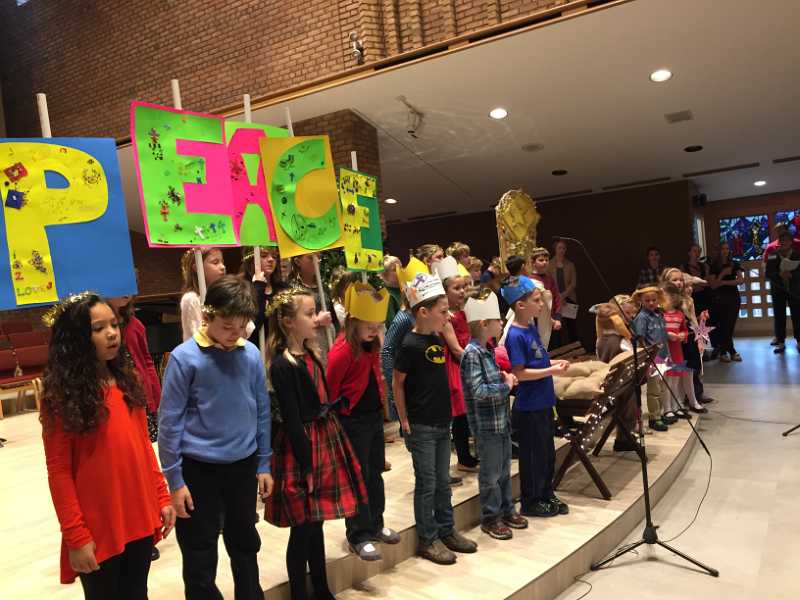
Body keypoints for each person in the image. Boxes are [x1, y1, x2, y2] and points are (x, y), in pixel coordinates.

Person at [41, 293, 175, 599]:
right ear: (75, 338)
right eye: (98, 328)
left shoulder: (128, 381)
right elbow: (59, 471)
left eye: (114, 325)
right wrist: (75, 535)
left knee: (137, 592)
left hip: (137, 511)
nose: (112, 333)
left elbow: (143, 446)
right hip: (99, 522)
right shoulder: (62, 396)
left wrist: (160, 495)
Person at [159, 276, 272, 600]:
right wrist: (175, 480)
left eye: (242, 326)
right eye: (227, 326)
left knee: (245, 543)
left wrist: (263, 462)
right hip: (198, 469)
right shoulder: (184, 358)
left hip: (242, 465)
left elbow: (262, 411)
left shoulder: (250, 354)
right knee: (199, 551)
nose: (235, 333)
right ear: (207, 317)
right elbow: (169, 423)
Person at [265, 287, 366, 600]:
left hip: (322, 438)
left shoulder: (309, 353)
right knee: (303, 528)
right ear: (288, 322)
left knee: (316, 523)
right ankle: (299, 593)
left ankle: (321, 589)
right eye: (309, 314)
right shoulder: (283, 365)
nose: (316, 319)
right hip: (303, 448)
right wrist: (307, 465)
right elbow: (293, 419)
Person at [393, 272, 478, 564]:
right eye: (443, 311)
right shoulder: (409, 344)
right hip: (422, 425)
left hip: (443, 421)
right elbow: (398, 383)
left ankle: (446, 529)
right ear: (423, 312)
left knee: (443, 482)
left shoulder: (436, 337)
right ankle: (427, 539)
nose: (448, 316)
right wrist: (403, 419)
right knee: (427, 483)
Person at [326, 283, 401, 561]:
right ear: (353, 321)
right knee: (357, 477)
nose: (374, 330)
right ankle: (358, 534)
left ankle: (376, 524)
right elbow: (331, 390)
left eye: (377, 325)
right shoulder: (341, 350)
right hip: (352, 421)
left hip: (372, 418)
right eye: (369, 326)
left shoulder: (372, 345)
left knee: (374, 473)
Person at [501, 276, 570, 518]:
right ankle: (531, 501)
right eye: (537, 300)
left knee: (547, 454)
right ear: (521, 305)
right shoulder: (515, 335)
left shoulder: (530, 328)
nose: (542, 305)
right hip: (529, 406)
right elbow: (520, 373)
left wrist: (554, 363)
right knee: (532, 456)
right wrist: (551, 371)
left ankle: (546, 493)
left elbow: (538, 360)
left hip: (544, 401)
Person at [461, 290, 527, 540]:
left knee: (504, 471)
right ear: (483, 324)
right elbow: (478, 391)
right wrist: (506, 386)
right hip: (487, 426)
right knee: (490, 475)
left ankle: (507, 510)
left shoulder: (487, 350)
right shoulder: (472, 353)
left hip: (500, 422)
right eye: (498, 320)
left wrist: (502, 377)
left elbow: (487, 382)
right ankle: (490, 517)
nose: (501, 323)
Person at [106, 293, 165, 561]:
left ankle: (148, 528)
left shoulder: (136, 324)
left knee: (144, 462)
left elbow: (147, 361)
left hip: (138, 398)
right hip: (117, 402)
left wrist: (155, 395)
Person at [433, 256, 479, 473]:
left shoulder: (464, 309)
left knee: (468, 411)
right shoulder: (447, 317)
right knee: (460, 412)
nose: (462, 291)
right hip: (455, 365)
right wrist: (476, 362)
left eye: (463, 287)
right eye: (456, 288)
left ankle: (469, 453)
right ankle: (463, 457)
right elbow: (455, 348)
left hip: (467, 359)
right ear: (445, 291)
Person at [595, 295, 640, 451]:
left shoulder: (600, 339)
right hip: (622, 385)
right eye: (626, 314)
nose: (631, 317)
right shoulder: (621, 341)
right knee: (628, 408)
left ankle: (624, 437)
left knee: (626, 407)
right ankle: (623, 438)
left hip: (612, 383)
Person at [661, 281, 706, 418]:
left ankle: (676, 406)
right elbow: (656, 331)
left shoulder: (680, 315)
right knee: (667, 380)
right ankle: (667, 408)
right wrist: (667, 334)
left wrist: (682, 335)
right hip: (665, 351)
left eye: (670, 296)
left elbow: (685, 330)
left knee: (676, 379)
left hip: (677, 350)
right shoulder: (659, 315)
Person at [631, 286, 673, 432]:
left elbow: (663, 336)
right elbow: (640, 340)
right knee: (654, 390)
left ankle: (659, 414)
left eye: (654, 300)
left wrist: (668, 354)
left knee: (661, 388)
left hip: (663, 356)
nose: (651, 303)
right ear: (641, 300)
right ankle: (654, 418)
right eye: (647, 300)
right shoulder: (642, 317)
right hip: (652, 359)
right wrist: (647, 360)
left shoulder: (659, 314)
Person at [288, 253, 336, 361]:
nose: (317, 260)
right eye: (311, 258)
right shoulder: (291, 289)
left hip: (328, 342)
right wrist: (317, 321)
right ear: (297, 262)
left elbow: (333, 318)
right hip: (306, 346)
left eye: (319, 257)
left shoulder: (323, 287)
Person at [239, 246, 286, 346]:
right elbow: (252, 326)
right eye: (264, 255)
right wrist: (259, 287)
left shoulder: (283, 288)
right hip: (255, 347)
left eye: (274, 256)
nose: (271, 260)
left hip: (279, 348)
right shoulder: (241, 288)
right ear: (251, 260)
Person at [179, 248, 227, 341]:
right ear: (197, 267)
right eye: (215, 262)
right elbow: (202, 338)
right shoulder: (191, 299)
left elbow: (247, 328)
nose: (222, 267)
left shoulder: (224, 295)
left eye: (222, 262)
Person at [764, 229, 800, 354]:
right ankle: (780, 342)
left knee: (797, 315)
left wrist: (792, 274)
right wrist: (779, 274)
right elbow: (768, 273)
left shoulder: (797, 254)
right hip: (778, 289)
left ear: (791, 242)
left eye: (786, 240)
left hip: (794, 290)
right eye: (782, 240)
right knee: (779, 316)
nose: (784, 242)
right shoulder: (773, 254)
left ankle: (799, 341)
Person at [708, 241, 744, 362]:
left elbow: (740, 281)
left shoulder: (734, 264)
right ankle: (729, 351)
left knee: (730, 325)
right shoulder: (714, 266)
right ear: (719, 251)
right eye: (723, 248)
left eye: (727, 248)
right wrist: (723, 274)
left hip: (733, 297)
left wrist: (723, 282)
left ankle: (726, 351)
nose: (725, 251)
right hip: (719, 298)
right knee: (723, 325)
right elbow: (713, 285)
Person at [529, 247, 562, 348]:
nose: (544, 262)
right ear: (533, 263)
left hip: (552, 321)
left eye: (546, 260)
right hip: (537, 320)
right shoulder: (529, 280)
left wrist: (557, 318)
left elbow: (557, 298)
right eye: (541, 260)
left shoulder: (550, 279)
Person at [548, 238, 578, 345]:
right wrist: (558, 297)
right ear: (555, 249)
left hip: (569, 299)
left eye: (564, 248)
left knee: (572, 327)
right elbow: (549, 283)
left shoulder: (570, 264)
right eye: (559, 248)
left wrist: (563, 296)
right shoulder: (549, 264)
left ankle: (575, 349)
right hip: (555, 300)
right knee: (557, 328)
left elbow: (573, 284)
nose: (561, 250)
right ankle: (559, 350)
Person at [381, 255, 403, 329]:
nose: (400, 270)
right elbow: (392, 325)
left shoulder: (404, 289)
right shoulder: (388, 295)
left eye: (400, 267)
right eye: (395, 269)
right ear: (385, 274)